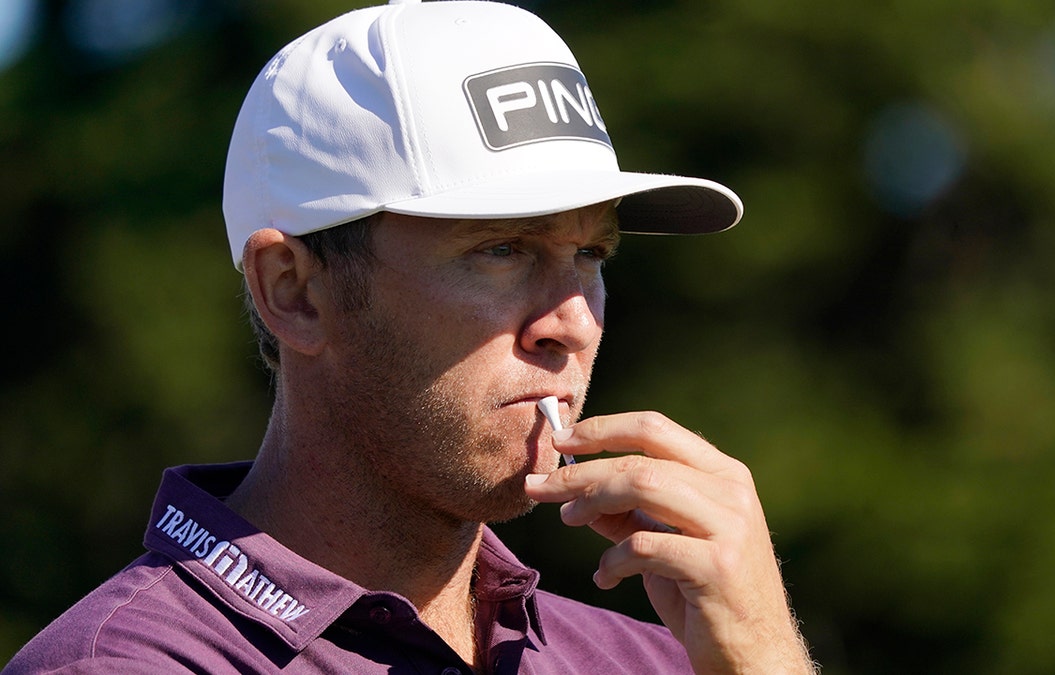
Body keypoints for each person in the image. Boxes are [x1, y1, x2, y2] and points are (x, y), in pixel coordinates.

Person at [5, 1, 814, 673]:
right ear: (294, 292)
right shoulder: (127, 663)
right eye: (500, 250)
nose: (571, 321)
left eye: (590, 252)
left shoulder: (659, 658)